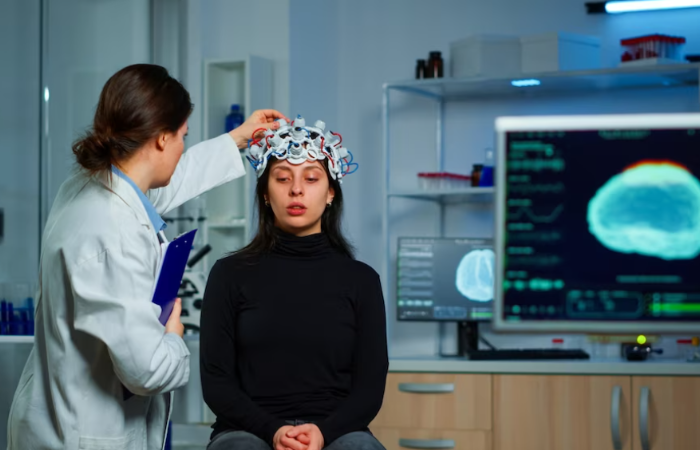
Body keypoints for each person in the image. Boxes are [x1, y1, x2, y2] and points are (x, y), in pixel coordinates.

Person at [6, 63, 286, 450]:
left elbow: (166, 182)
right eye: (182, 136)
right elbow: (148, 371)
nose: (183, 147)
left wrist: (237, 139)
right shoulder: (112, 231)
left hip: (56, 418)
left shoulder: (89, 186)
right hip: (83, 436)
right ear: (160, 139)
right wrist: (175, 335)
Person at [200, 116, 389, 450]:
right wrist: (273, 431)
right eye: (282, 178)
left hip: (337, 431)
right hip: (247, 429)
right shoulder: (229, 274)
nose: (296, 189)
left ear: (331, 192)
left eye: (312, 178)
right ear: (265, 195)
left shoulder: (362, 281)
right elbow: (216, 382)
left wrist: (323, 432)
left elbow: (370, 388)